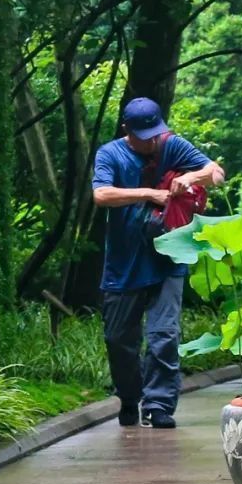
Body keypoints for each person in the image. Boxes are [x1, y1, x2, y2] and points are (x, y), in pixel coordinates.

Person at [92, 97, 225, 429]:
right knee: (118, 338)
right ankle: (129, 396)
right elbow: (101, 195)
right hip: (124, 262)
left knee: (164, 334)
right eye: (144, 135)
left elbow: (217, 173)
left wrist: (192, 177)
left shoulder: (172, 146)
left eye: (156, 133)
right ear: (127, 130)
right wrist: (148, 194)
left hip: (168, 257)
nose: (152, 141)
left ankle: (159, 405)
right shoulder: (110, 154)